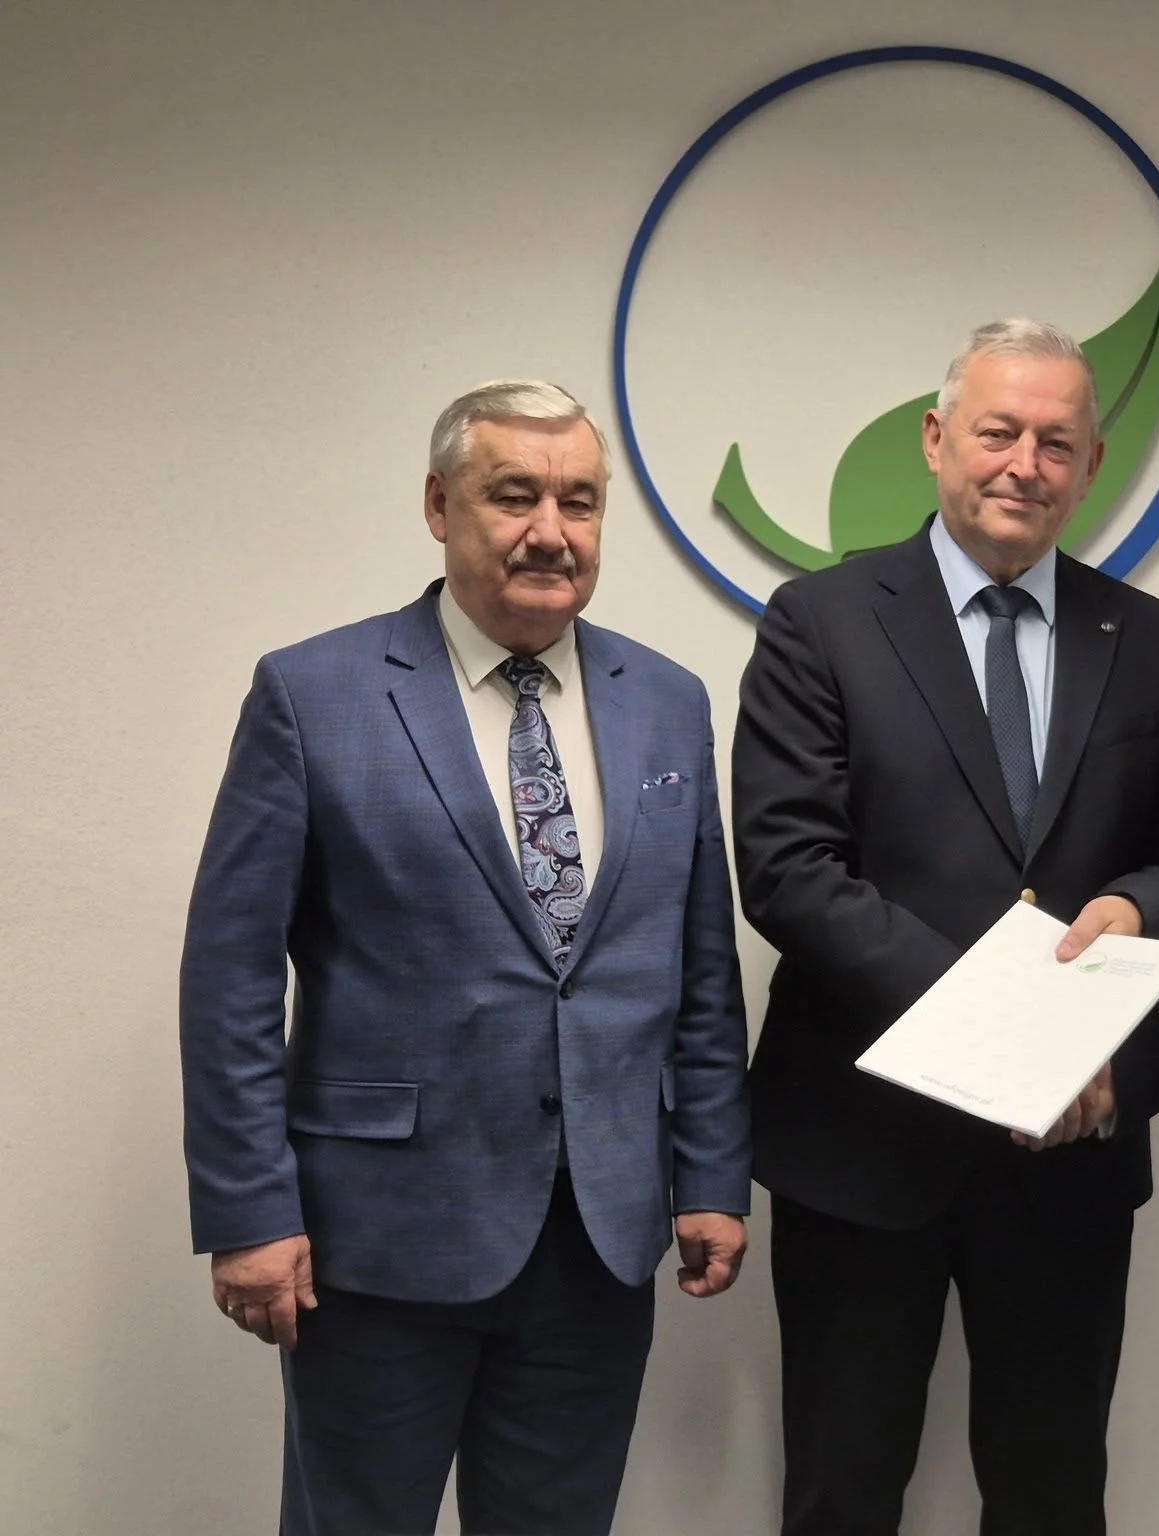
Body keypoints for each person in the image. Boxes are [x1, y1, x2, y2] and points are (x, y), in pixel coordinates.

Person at [179, 380, 752, 1536]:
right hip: (378, 1241)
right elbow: (230, 974)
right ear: (441, 506)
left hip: (598, 1237)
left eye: (578, 502)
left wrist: (710, 1177)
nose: (551, 531)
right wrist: (247, 1209)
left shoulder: (667, 703)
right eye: (513, 495)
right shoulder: (314, 694)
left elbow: (700, 968)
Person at [731, 318, 1159, 1536]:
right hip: (860, 1145)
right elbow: (787, 869)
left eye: (1056, 443)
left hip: (1064, 1155)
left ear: (1091, 465)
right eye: (998, 432)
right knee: (842, 1492)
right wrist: (992, 1023)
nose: (1024, 465)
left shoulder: (1148, 640)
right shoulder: (820, 620)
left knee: (1051, 1494)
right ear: (935, 439)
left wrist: (1140, 904)